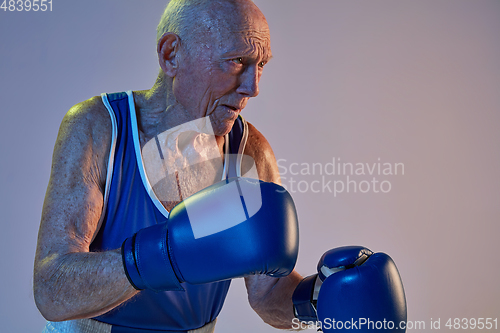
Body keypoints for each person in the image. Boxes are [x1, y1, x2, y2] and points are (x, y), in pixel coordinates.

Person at [34, 1, 407, 332]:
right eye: (236, 61)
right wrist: (164, 255)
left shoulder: (248, 152)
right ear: (171, 55)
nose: (253, 86)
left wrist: (321, 301)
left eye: (261, 65)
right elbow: (52, 289)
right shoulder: (101, 128)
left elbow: (268, 293)